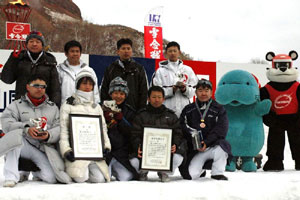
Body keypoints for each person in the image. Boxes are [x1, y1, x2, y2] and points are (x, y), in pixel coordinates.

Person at [0, 75, 62, 187]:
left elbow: (59, 128)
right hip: (23, 144)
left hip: (42, 148)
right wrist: (26, 129)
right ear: (28, 87)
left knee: (51, 178)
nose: (40, 89)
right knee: (14, 136)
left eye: (43, 86)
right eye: (36, 86)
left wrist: (49, 135)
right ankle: (11, 177)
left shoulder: (53, 108)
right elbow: (6, 123)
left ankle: (29, 169)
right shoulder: (16, 105)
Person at [59, 70, 111, 183]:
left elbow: (103, 129)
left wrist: (106, 146)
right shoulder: (68, 105)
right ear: (77, 85)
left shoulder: (96, 107)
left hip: (93, 153)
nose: (87, 86)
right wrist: (66, 150)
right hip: (76, 152)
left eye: (90, 84)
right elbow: (64, 131)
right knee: (81, 177)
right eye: (84, 83)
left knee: (99, 179)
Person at [130, 86, 185, 182]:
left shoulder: (171, 116)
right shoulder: (141, 115)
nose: (157, 100)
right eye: (154, 97)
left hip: (164, 152)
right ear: (148, 98)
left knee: (178, 157)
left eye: (159, 97)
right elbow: (135, 133)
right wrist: (138, 146)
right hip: (146, 152)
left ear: (163, 99)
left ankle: (164, 171)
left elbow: (178, 133)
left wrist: (175, 144)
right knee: (133, 159)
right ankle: (143, 171)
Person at [179, 79, 231, 181]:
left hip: (212, 146)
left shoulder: (219, 109)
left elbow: (221, 129)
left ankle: (217, 172)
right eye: (200, 90)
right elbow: (182, 126)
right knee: (190, 176)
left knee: (223, 146)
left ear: (211, 92)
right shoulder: (189, 109)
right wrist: (195, 142)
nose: (203, 93)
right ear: (196, 92)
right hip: (195, 149)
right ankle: (201, 170)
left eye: (207, 90)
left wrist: (206, 142)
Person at [1, 31, 61, 106]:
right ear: (26, 44)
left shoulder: (50, 61)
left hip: (43, 105)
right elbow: (7, 80)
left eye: (38, 42)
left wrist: (54, 107)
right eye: (31, 41)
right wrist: (13, 60)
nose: (34, 44)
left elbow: (55, 89)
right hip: (22, 104)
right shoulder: (19, 58)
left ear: (42, 45)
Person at [103, 77, 139, 181]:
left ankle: (115, 168)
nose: (118, 96)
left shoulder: (130, 111)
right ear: (110, 94)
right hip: (105, 153)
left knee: (126, 177)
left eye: (122, 94)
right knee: (103, 178)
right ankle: (108, 168)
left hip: (121, 154)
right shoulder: (101, 108)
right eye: (115, 93)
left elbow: (132, 133)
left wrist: (121, 119)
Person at [152, 41, 198, 117]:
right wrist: (171, 90)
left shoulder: (188, 70)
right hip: (166, 111)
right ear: (166, 53)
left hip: (185, 110)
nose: (172, 53)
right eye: (170, 51)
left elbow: (193, 91)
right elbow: (155, 92)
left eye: (174, 51)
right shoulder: (160, 71)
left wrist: (184, 89)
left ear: (179, 52)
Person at [100, 38, 148, 111]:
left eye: (128, 48)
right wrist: (107, 109)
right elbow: (104, 90)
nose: (126, 51)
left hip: (133, 111)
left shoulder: (139, 69)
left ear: (131, 51)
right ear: (118, 51)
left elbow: (144, 91)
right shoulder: (110, 68)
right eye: (123, 48)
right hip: (113, 112)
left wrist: (141, 111)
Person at [57, 40, 100, 105]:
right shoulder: (59, 70)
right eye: (72, 51)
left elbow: (95, 91)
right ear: (66, 53)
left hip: (85, 109)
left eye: (77, 51)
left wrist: (95, 105)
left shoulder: (89, 70)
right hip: (66, 107)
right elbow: (56, 92)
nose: (75, 54)